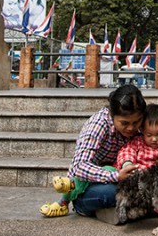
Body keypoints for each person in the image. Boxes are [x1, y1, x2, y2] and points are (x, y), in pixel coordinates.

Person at [41, 103, 158, 219]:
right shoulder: (136, 141)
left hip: (149, 186)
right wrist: (128, 164)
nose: (154, 139)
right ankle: (71, 187)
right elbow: (126, 152)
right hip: (123, 177)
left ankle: (128, 211)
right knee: (109, 174)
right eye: (149, 135)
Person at [38, 84, 146, 220]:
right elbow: (79, 166)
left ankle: (116, 210)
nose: (131, 128)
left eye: (136, 122)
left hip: (123, 178)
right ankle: (84, 207)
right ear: (112, 114)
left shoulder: (141, 126)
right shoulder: (98, 124)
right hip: (86, 186)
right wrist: (115, 176)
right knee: (112, 193)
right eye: (124, 123)